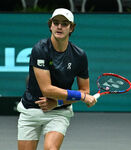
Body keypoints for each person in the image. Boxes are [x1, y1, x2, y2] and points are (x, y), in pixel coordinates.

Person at [17, 8, 97, 150]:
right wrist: (81, 96)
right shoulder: (40, 49)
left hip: (59, 111)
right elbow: (47, 90)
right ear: (50, 25)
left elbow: (85, 89)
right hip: (31, 109)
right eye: (56, 22)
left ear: (71, 28)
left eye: (65, 23)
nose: (60, 27)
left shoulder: (79, 55)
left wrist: (58, 102)